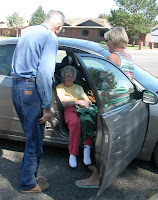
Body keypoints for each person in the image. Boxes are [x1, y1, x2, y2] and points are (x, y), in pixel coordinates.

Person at [11, 10, 65, 193]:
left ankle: (30, 174)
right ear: (58, 26)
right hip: (30, 90)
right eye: (61, 29)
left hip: (17, 87)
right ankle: (27, 183)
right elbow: (44, 73)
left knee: (30, 134)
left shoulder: (29, 31)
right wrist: (46, 105)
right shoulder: (50, 36)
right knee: (35, 139)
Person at [75, 26, 134, 189]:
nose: (106, 42)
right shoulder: (128, 57)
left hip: (111, 106)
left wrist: (97, 100)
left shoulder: (113, 57)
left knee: (103, 142)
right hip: (122, 106)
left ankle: (96, 178)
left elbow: (106, 84)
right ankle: (100, 169)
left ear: (114, 40)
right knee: (109, 141)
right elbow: (127, 84)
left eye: (107, 39)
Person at [56, 65, 97, 168]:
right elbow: (62, 103)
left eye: (71, 75)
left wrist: (84, 103)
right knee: (75, 123)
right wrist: (76, 101)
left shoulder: (79, 87)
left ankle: (86, 150)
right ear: (63, 76)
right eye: (67, 75)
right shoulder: (59, 88)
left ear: (74, 77)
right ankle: (73, 154)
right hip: (69, 110)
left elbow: (87, 100)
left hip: (81, 108)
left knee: (87, 120)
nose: (69, 77)